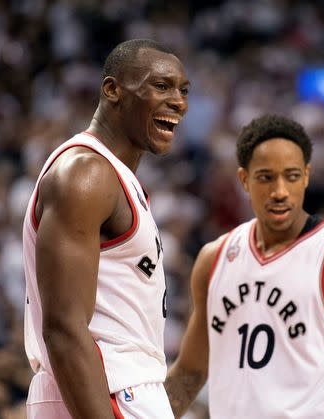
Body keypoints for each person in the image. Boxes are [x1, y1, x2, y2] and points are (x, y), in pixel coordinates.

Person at [165, 114, 324, 418]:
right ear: (244, 180)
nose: (280, 191)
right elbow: (190, 373)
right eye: (266, 177)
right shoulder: (215, 258)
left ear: (305, 176)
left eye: (291, 176)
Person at [23, 39, 189, 419]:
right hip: (109, 392)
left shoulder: (112, 177)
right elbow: (64, 328)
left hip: (116, 390)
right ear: (112, 89)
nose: (178, 101)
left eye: (183, 90)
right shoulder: (86, 174)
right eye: (161, 86)